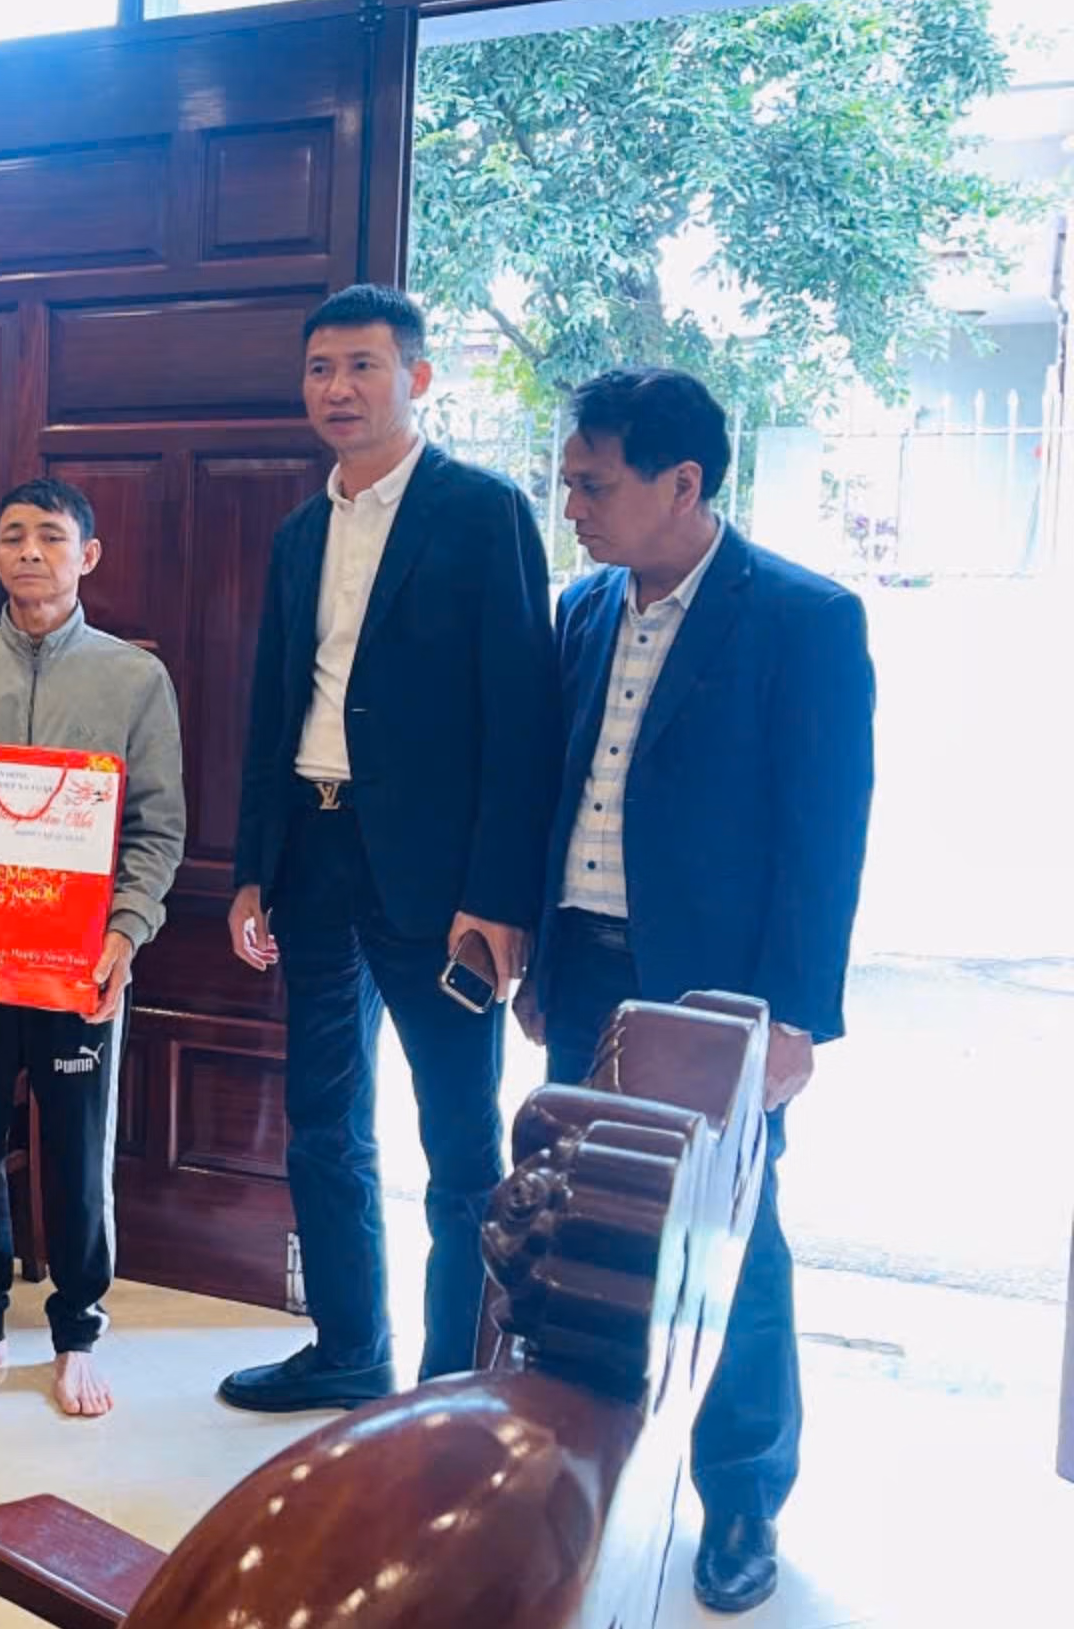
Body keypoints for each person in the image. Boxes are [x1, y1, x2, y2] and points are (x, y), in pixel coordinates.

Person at [519, 366, 873, 1614]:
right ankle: (587, 1465)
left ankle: (739, 1497)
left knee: (734, 1242)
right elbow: (558, 788)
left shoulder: (800, 618)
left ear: (682, 482)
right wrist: (539, 955)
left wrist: (794, 1017)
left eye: (593, 484)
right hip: (583, 963)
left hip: (713, 993)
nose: (572, 505)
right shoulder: (581, 607)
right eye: (567, 480)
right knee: (583, 1227)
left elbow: (823, 834)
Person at [219, 284, 557, 1414]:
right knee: (322, 1121)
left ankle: (449, 1384)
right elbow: (276, 705)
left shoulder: (482, 511)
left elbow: (522, 718)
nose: (339, 388)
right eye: (320, 368)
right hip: (313, 851)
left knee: (460, 1143)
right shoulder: (298, 531)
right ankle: (348, 1347)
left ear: (417, 377)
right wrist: (253, 866)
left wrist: (499, 895)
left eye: (363, 365)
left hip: (440, 878)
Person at [0, 478, 186, 1419]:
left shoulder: (134, 680)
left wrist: (125, 934)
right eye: (12, 535)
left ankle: (77, 1332)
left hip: (78, 966)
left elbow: (158, 830)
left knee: (78, 1148)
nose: (29, 551)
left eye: (50, 536)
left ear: (86, 554)